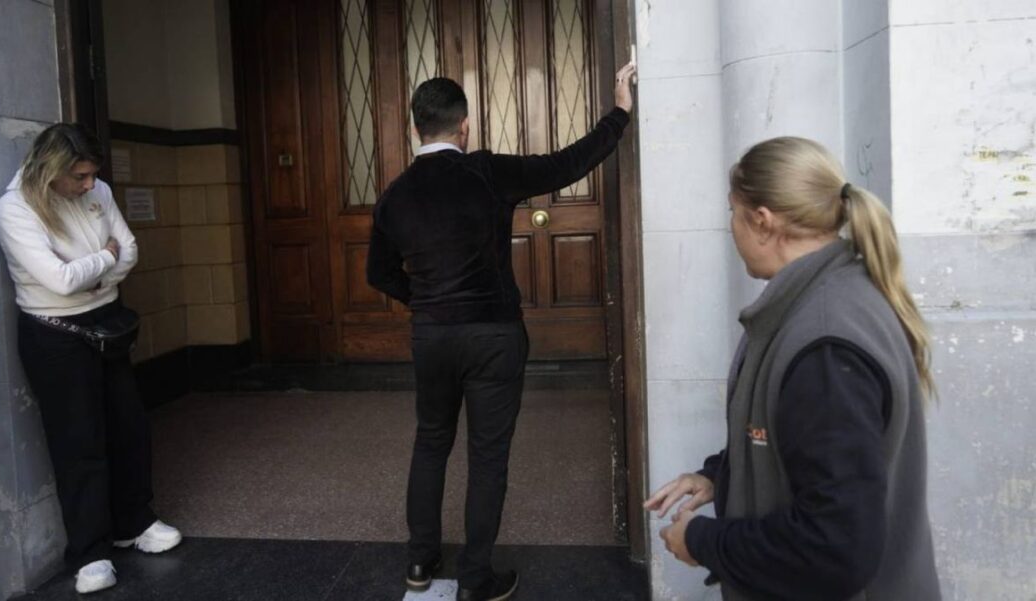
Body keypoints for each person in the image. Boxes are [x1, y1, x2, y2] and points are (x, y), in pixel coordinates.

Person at [367, 64, 637, 600]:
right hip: (493, 337)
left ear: (416, 128)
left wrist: (422, 300)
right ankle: (475, 578)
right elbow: (568, 162)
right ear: (463, 127)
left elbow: (378, 273)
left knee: (430, 442)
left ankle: (420, 563)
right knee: (487, 456)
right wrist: (620, 112)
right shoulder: (488, 172)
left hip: (433, 337)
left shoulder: (394, 196)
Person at [645, 137, 941, 601]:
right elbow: (808, 448)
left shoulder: (825, 342)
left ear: (762, 222)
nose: (731, 229)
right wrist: (721, 476)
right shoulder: (829, 299)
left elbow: (834, 549)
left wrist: (702, 542)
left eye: (733, 214)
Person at [0, 123, 181, 595]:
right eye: (78, 177)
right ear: (50, 171)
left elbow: (129, 249)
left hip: (108, 325)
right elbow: (58, 281)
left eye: (91, 175)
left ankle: (134, 523)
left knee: (129, 427)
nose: (88, 185)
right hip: (54, 336)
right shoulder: (14, 209)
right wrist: (103, 262)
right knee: (79, 445)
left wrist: (92, 272)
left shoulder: (98, 191)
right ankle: (90, 553)